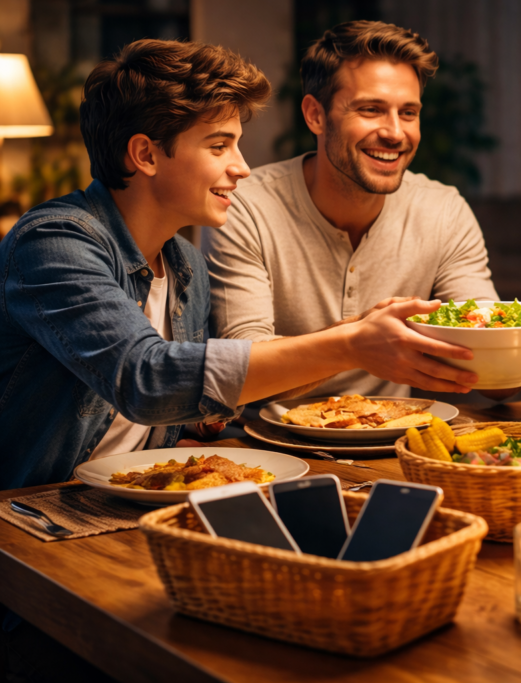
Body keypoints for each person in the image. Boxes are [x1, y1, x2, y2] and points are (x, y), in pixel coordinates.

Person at [0, 39, 480, 492]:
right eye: (218, 146)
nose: (241, 167)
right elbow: (147, 379)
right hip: (31, 512)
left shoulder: (183, 263)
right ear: (146, 154)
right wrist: (352, 343)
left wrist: (210, 423)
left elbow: (184, 405)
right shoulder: (55, 241)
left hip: (127, 500)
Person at [205, 20, 521, 400]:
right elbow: (241, 372)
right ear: (316, 115)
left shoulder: (443, 210)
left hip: (393, 443)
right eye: (371, 109)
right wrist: (356, 339)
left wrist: (520, 344)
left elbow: (482, 369)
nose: (395, 133)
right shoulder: (244, 205)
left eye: (409, 113)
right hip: (264, 446)